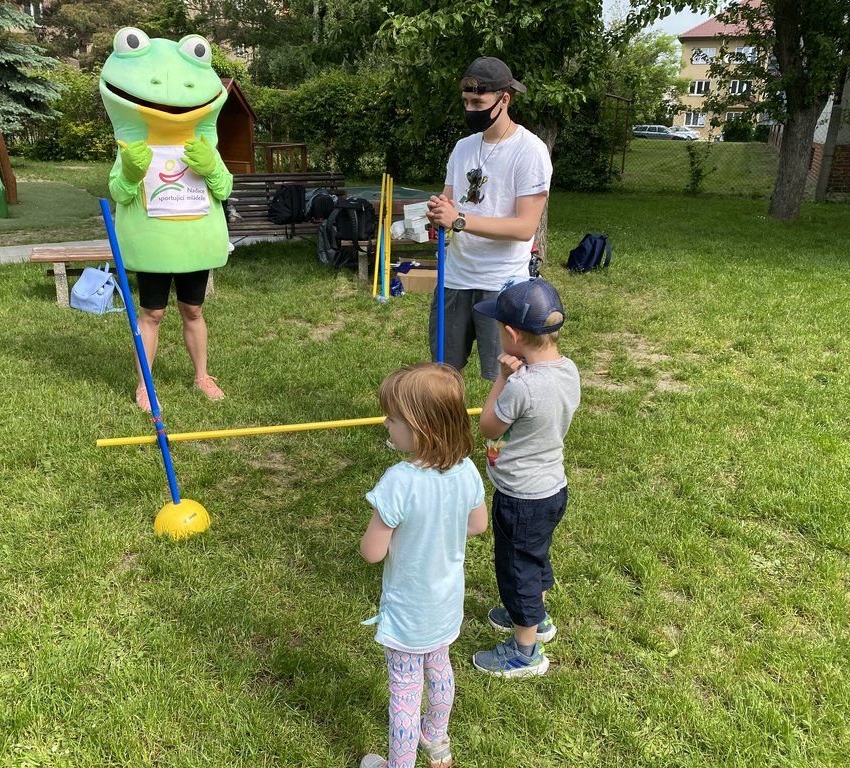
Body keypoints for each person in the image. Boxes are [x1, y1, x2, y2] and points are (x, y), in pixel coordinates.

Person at [359, 363, 488, 768]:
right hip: (446, 604)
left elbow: (371, 552)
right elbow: (479, 525)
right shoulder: (467, 470)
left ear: (421, 428)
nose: (385, 422)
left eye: (393, 418)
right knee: (439, 669)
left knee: (404, 691)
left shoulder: (399, 481)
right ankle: (437, 741)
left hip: (407, 612)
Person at [99, 30, 234, 410]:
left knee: (193, 310)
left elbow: (223, 189)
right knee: (152, 313)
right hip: (154, 243)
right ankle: (145, 384)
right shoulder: (134, 145)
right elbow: (119, 193)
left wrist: (210, 168)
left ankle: (201, 376)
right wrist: (129, 172)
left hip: (192, 243)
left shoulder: (204, 145)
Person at [470, 277, 580, 677]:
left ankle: (524, 651)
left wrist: (503, 377)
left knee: (517, 569)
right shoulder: (568, 370)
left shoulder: (521, 386)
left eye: (500, 329)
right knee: (535, 557)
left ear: (512, 335)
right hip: (552, 488)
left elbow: (488, 427)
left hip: (520, 497)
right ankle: (538, 617)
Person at [426, 56, 552, 381]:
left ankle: (498, 433)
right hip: (454, 277)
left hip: (501, 284)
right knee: (443, 371)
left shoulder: (530, 151)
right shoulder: (462, 148)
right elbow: (450, 203)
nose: (470, 109)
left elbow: (525, 228)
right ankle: (444, 430)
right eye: (466, 102)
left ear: (504, 99)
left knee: (506, 374)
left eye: (477, 102)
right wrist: (439, 216)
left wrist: (459, 220)